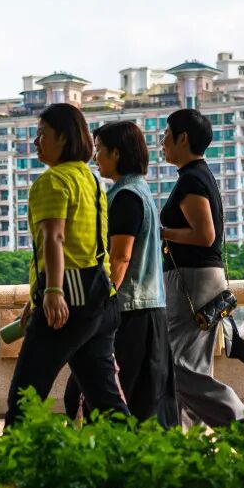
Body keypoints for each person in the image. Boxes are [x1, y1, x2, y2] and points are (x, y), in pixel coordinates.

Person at [4, 103, 131, 427]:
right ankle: (138, 452)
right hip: (101, 295)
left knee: (25, 396)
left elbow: (55, 237)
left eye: (42, 134)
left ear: (64, 138)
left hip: (69, 299)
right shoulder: (91, 180)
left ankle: (12, 457)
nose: (36, 142)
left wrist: (52, 291)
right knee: (106, 399)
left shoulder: (53, 181)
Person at [63, 121, 178, 425]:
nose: (96, 157)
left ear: (116, 153)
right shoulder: (139, 190)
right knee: (141, 400)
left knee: (111, 396)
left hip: (129, 312)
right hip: (145, 309)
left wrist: (100, 303)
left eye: (100, 149)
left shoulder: (125, 196)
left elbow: (120, 258)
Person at [159, 108, 244, 426]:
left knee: (171, 364)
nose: (162, 143)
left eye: (166, 136)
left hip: (193, 281)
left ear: (183, 138)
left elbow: (205, 236)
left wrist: (163, 233)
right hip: (200, 280)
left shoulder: (192, 180)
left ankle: (240, 420)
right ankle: (188, 440)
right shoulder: (197, 176)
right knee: (191, 363)